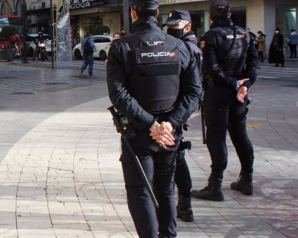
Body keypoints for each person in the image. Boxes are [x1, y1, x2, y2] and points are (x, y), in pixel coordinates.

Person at [107, 0, 202, 236]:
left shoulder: (122, 47)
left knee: (141, 191)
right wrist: (170, 123)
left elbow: (119, 95)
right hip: (170, 133)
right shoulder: (180, 46)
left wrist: (152, 124)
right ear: (158, 13)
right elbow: (194, 93)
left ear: (133, 12)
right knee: (166, 190)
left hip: (141, 133)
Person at [191, 0, 259, 202]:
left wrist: (233, 83)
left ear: (211, 17)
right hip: (239, 94)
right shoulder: (245, 34)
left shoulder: (211, 36)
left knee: (217, 137)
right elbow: (254, 64)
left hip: (219, 92)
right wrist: (244, 85)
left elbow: (211, 68)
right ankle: (247, 178)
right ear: (230, 15)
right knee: (240, 135)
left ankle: (215, 185)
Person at [162, 9, 203, 223]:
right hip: (176, 110)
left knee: (177, 159)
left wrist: (175, 118)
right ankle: (183, 204)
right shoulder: (181, 45)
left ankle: (184, 204)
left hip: (178, 111)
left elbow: (192, 88)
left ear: (187, 26)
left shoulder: (189, 49)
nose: (170, 30)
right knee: (176, 158)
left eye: (174, 26)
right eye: (168, 26)